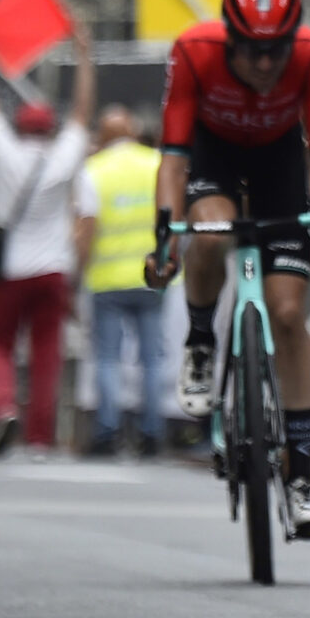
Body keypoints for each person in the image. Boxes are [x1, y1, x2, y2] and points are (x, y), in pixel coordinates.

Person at [149, 0, 310, 538]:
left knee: (288, 314)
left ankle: (302, 475)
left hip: (278, 163)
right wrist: (164, 235)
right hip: (212, 157)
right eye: (253, 52)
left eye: (277, 52)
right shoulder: (194, 51)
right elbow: (172, 155)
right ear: (230, 40)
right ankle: (200, 342)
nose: (266, 65)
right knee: (209, 231)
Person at [0, 18, 95, 458]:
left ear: (21, 127)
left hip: (10, 270)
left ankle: (3, 408)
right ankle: (40, 437)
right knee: (46, 355)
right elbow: (82, 112)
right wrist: (83, 53)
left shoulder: (3, 151)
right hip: (53, 269)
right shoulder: (64, 156)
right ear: (49, 128)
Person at [74, 104, 174, 458]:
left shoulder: (94, 170)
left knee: (108, 359)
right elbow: (174, 216)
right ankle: (152, 433)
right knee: (152, 358)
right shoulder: (157, 163)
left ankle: (108, 431)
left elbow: (86, 227)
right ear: (131, 131)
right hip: (153, 277)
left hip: (107, 280)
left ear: (102, 135)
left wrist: (78, 272)